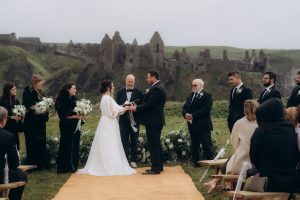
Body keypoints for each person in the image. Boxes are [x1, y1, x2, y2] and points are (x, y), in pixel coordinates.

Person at [77, 80, 136, 176]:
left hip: (104, 122)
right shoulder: (108, 98)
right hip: (109, 122)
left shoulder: (104, 98)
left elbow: (115, 108)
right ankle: (110, 165)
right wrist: (125, 109)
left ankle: (103, 163)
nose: (113, 88)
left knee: (105, 142)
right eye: (112, 86)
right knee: (111, 142)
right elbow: (112, 113)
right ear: (108, 87)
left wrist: (123, 107)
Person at [204, 100, 259, 193]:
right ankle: (220, 182)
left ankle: (219, 182)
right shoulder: (262, 123)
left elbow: (234, 142)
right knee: (232, 158)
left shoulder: (239, 123)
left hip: (241, 164)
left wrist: (241, 149)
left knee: (232, 158)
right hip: (256, 161)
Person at [250, 98, 300, 193]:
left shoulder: (260, 132)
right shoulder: (292, 131)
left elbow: (254, 158)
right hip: (291, 183)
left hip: (267, 183)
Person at [130, 70, 166, 175]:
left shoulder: (156, 89)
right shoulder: (157, 87)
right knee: (156, 144)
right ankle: (159, 166)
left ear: (153, 77)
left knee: (153, 144)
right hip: (156, 121)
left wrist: (136, 108)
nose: (147, 79)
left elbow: (149, 104)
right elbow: (145, 99)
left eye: (148, 77)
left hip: (153, 121)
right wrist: (135, 103)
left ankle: (155, 169)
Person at [182, 79, 214, 167]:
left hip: (203, 125)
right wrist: (185, 114)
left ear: (200, 86)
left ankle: (211, 163)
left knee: (206, 145)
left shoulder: (207, 96)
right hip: (192, 125)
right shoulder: (190, 95)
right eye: (192, 85)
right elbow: (184, 107)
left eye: (195, 85)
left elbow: (206, 109)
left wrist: (193, 115)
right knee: (194, 145)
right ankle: (196, 163)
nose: (193, 87)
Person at [55, 84, 84, 173]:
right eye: (74, 88)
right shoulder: (61, 99)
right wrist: (75, 116)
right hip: (66, 124)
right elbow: (63, 114)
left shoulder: (74, 99)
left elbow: (76, 111)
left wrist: (81, 115)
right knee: (65, 144)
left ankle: (72, 165)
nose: (75, 90)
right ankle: (63, 167)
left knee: (74, 144)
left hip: (74, 125)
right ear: (68, 89)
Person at [0, 106, 27, 200]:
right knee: (21, 175)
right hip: (1, 175)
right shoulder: (8, 137)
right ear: (3, 119)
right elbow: (15, 163)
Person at [116, 74, 143, 168]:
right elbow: (117, 106)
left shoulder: (140, 93)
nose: (130, 83)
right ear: (125, 81)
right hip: (123, 121)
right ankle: (124, 161)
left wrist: (134, 107)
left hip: (135, 121)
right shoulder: (119, 93)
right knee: (124, 141)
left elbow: (142, 106)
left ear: (134, 82)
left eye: (132, 81)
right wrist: (124, 106)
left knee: (134, 141)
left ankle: (133, 160)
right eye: (129, 81)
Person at [22, 74, 49, 170]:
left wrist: (45, 108)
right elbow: (28, 105)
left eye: (42, 83)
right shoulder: (27, 92)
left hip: (40, 122)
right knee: (32, 143)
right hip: (31, 122)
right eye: (40, 83)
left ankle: (41, 164)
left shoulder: (41, 93)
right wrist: (38, 107)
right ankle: (33, 164)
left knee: (41, 142)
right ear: (34, 83)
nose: (41, 84)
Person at [0, 83, 23, 150]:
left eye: (15, 89)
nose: (15, 90)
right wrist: (11, 117)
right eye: (13, 89)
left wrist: (20, 116)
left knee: (15, 146)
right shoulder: (1, 101)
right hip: (5, 126)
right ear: (8, 91)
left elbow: (20, 112)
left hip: (14, 127)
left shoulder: (16, 101)